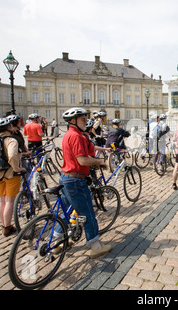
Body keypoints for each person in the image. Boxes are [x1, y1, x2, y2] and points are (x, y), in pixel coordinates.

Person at [60, 107, 112, 258]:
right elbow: (82, 160)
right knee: (88, 212)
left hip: (66, 177)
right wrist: (99, 162)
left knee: (66, 212)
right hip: (76, 180)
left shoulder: (70, 134)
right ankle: (95, 246)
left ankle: (58, 240)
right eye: (82, 119)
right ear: (73, 121)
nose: (85, 122)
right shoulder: (76, 136)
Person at [0, 117, 27, 236]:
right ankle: (7, 226)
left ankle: (3, 224)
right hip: (11, 175)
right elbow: (11, 156)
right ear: (9, 128)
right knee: (10, 201)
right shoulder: (11, 140)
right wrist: (17, 168)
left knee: (1, 200)